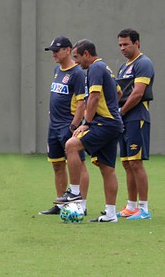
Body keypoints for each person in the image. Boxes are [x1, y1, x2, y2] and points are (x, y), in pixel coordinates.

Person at [59, 39, 123, 223]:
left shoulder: (95, 68)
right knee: (107, 168)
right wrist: (110, 109)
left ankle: (74, 192)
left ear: (86, 54)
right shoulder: (106, 68)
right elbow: (118, 93)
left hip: (104, 123)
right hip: (113, 123)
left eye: (77, 57)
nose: (76, 61)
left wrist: (87, 122)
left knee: (71, 145)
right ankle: (110, 214)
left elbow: (94, 97)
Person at [39, 36, 88, 215]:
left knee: (79, 164)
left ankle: (81, 204)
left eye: (56, 50)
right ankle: (61, 204)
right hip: (54, 126)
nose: (53, 54)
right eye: (52, 51)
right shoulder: (56, 70)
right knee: (57, 164)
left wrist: (74, 127)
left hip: (68, 126)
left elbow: (82, 103)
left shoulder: (77, 73)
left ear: (68, 50)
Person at [115, 28, 154, 220]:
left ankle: (144, 209)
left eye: (126, 44)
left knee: (136, 162)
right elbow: (120, 93)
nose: (122, 48)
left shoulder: (143, 63)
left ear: (137, 43)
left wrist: (120, 112)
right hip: (123, 119)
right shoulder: (124, 67)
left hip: (136, 117)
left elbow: (138, 93)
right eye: (120, 45)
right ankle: (131, 206)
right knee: (126, 163)